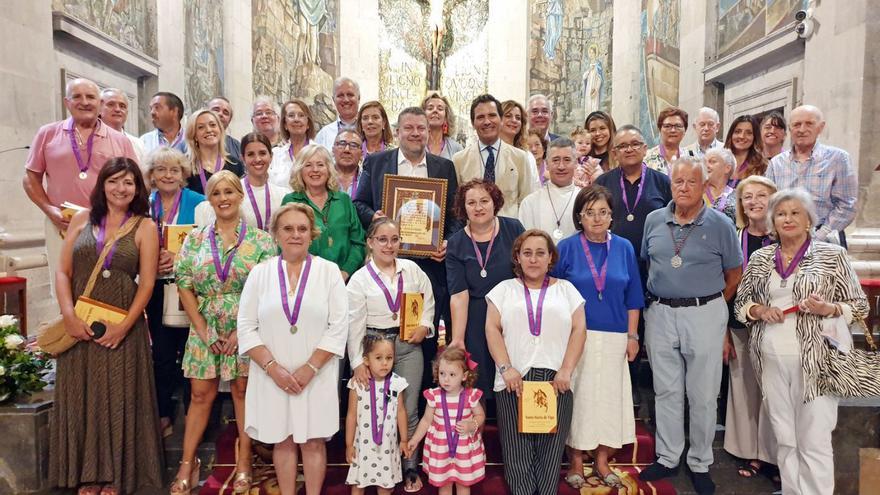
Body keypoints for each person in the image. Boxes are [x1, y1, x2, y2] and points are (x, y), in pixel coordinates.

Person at [734, 188, 878, 495]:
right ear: (772, 221)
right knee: (784, 437)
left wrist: (830, 308)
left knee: (814, 438)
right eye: (781, 214)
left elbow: (860, 306)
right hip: (770, 358)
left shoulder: (831, 255)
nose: (788, 219)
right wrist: (759, 310)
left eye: (795, 213)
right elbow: (741, 304)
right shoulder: (760, 258)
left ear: (809, 219)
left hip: (818, 361)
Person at [50, 157, 161, 494]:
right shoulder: (82, 219)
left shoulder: (145, 226)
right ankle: (86, 474)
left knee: (118, 397)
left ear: (137, 188)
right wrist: (68, 315)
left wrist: (125, 326)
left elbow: (147, 284)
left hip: (121, 328)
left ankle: (114, 475)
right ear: (103, 185)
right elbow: (63, 272)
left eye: (128, 182)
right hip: (80, 324)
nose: (120, 188)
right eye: (114, 181)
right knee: (81, 395)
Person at [638, 157, 742, 495]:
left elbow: (734, 275)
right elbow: (649, 262)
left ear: (703, 186)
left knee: (702, 394)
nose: (683, 188)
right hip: (661, 314)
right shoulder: (654, 220)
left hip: (705, 313)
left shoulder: (720, 224)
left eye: (691, 182)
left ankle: (700, 462)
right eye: (678, 181)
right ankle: (668, 457)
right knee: (666, 390)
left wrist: (709, 304)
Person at [171, 171, 276, 494]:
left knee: (244, 391)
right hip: (206, 326)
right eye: (216, 193)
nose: (224, 199)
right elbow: (184, 283)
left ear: (240, 196)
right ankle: (188, 463)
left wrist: (242, 332)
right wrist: (202, 329)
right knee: (201, 394)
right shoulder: (195, 239)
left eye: (229, 192)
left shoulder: (261, 240)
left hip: (246, 327)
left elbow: (266, 290)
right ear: (209, 200)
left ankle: (244, 461)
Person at [237, 203, 349, 495]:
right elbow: (246, 326)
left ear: (312, 234)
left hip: (316, 374)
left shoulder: (329, 272)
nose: (295, 235)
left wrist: (309, 368)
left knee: (312, 441)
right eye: (288, 228)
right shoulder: (260, 274)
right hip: (271, 375)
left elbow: (339, 325)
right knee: (282, 439)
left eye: (302, 229)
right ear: (275, 234)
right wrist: (273, 369)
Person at [353, 107, 461, 388]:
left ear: (430, 131)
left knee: (420, 335)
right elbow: (359, 204)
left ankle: (419, 399)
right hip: (386, 263)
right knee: (379, 335)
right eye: (409, 128)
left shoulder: (444, 167)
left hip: (427, 268)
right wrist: (374, 217)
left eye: (421, 128)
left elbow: (454, 216)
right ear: (398, 132)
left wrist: (446, 241)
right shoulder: (376, 162)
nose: (415, 134)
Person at [553, 185, 643, 490]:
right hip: (577, 335)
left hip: (617, 334)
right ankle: (576, 458)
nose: (596, 218)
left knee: (609, 399)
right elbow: (553, 294)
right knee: (579, 397)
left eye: (603, 212)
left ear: (611, 215)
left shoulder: (624, 248)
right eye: (589, 212)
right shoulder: (566, 247)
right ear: (579, 216)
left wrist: (633, 335)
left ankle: (602, 459)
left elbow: (634, 295)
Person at [485, 229, 586, 495]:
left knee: (551, 455)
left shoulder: (568, 291)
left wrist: (566, 370)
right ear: (517, 257)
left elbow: (579, 330)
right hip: (514, 382)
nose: (533, 259)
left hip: (556, 382)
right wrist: (506, 368)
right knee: (517, 456)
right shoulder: (503, 290)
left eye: (540, 253)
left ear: (550, 257)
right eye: (527, 253)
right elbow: (492, 329)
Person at [23, 78, 138, 295]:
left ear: (99, 103)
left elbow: (135, 183)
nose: (84, 102)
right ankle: (68, 327)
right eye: (77, 96)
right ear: (67, 102)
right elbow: (30, 179)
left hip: (107, 223)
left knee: (105, 288)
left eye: (91, 97)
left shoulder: (119, 140)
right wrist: (50, 210)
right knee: (64, 288)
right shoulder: (48, 133)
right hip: (61, 224)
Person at [346, 218, 436, 492]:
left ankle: (409, 467)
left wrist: (425, 325)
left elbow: (428, 301)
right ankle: (370, 467)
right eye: (382, 239)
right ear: (370, 243)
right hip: (374, 346)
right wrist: (357, 362)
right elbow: (354, 323)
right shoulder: (360, 280)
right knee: (375, 411)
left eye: (394, 239)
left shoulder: (412, 270)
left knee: (407, 409)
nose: (389, 245)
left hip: (407, 344)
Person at [594, 125, 672, 406]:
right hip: (612, 268)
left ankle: (641, 388)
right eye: (622, 145)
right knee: (621, 328)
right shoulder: (603, 182)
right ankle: (617, 386)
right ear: (614, 152)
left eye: (634, 143)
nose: (629, 149)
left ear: (644, 149)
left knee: (650, 332)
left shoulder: (662, 182)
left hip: (653, 267)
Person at [143, 146, 205, 438]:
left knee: (193, 351)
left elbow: (209, 244)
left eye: (174, 170)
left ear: (184, 175)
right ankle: (163, 412)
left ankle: (197, 414)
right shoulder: (142, 203)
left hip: (192, 287)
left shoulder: (199, 202)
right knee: (163, 352)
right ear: (152, 176)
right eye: (161, 170)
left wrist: (178, 258)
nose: (168, 175)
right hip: (155, 286)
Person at [446, 179, 525, 396]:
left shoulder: (514, 228)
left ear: (495, 203)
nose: (478, 207)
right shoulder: (455, 243)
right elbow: (459, 295)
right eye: (471, 203)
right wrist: (458, 338)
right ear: (463, 208)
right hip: (475, 315)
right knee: (477, 382)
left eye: (484, 201)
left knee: (513, 371)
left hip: (512, 312)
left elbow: (526, 272)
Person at [723, 175, 778, 481]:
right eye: (747, 197)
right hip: (739, 323)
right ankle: (750, 451)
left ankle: (773, 454)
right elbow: (724, 284)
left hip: (776, 325)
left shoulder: (783, 237)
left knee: (773, 392)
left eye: (761, 195)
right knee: (744, 389)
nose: (754, 202)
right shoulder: (734, 236)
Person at [765, 104, 857, 247]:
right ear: (790, 128)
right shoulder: (776, 163)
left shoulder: (838, 158)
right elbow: (769, 204)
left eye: (809, 123)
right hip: (785, 240)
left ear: (820, 127)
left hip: (826, 240)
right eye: (796, 124)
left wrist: (817, 237)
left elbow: (847, 205)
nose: (802, 129)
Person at [408, 346, 487, 493]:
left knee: (464, 484)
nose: (446, 379)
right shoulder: (434, 396)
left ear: (464, 376)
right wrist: (415, 439)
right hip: (441, 447)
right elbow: (426, 420)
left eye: (452, 374)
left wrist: (472, 424)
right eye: (442, 373)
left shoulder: (471, 396)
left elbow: (480, 415)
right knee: (444, 484)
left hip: (463, 448)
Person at [282, 143, 365, 281]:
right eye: (308, 165)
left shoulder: (343, 200)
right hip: (303, 280)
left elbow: (358, 242)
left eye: (320, 165)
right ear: (299, 170)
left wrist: (345, 272)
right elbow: (284, 245)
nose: (315, 170)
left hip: (344, 280)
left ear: (329, 169)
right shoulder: (291, 201)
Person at [452, 94, 538, 218]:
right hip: (473, 232)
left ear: (501, 119)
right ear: (473, 122)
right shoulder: (459, 160)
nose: (487, 122)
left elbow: (527, 202)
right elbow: (458, 206)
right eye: (480, 117)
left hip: (509, 232)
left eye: (492, 115)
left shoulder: (520, 158)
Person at [345, 334, 410, 494]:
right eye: (378, 358)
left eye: (389, 358)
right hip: (362, 446)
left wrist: (404, 440)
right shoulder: (358, 384)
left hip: (387, 445)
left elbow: (401, 412)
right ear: (366, 360)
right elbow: (351, 416)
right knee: (358, 483)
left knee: (386, 485)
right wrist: (348, 444)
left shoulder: (397, 383)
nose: (385, 363)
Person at [198, 133, 290, 230]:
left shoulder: (283, 194)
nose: (257, 159)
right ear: (242, 158)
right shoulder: (231, 193)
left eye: (262, 153)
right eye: (251, 154)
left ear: (271, 156)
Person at [517, 138, 579, 243]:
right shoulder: (530, 203)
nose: (561, 166)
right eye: (555, 160)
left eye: (567, 160)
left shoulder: (585, 200)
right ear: (547, 164)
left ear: (576, 163)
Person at [184, 109, 244, 195]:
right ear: (194, 135)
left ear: (220, 129)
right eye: (201, 127)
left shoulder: (235, 164)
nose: (208, 130)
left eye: (212, 125)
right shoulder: (185, 167)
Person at [268, 99, 317, 188]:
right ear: (285, 124)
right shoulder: (275, 154)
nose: (296, 119)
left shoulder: (320, 152)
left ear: (308, 124)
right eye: (291, 115)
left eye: (301, 115)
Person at [99, 88, 146, 166]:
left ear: (127, 113)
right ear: (99, 109)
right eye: (111, 104)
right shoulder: (91, 140)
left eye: (122, 106)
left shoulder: (138, 144)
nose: (117, 109)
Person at [315, 77, 361, 149]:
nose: (346, 100)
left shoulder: (370, 129)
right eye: (340, 95)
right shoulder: (323, 135)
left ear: (358, 98)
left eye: (350, 95)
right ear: (333, 100)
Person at [724, 115, 767, 186]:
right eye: (737, 132)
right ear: (731, 135)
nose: (742, 136)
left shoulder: (763, 166)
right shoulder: (719, 162)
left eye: (748, 133)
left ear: (755, 137)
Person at [645, 107, 688, 174]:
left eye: (678, 126)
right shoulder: (647, 158)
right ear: (660, 129)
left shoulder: (692, 158)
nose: (673, 130)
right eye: (667, 126)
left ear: (685, 130)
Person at [422, 91, 464, 160]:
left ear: (446, 117)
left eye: (440, 109)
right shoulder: (416, 145)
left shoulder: (456, 149)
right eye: (430, 108)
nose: (435, 110)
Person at [704, 148, 738, 223]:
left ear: (727, 168)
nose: (706, 165)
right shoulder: (696, 193)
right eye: (704, 162)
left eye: (712, 161)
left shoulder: (737, 196)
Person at [208, 96, 243, 163]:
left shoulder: (237, 147)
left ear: (229, 120)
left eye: (226, 113)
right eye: (216, 110)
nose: (220, 114)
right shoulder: (189, 143)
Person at [332, 129, 364, 198]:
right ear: (333, 150)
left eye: (353, 145)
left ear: (361, 154)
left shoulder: (368, 180)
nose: (347, 150)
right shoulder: (323, 177)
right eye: (342, 144)